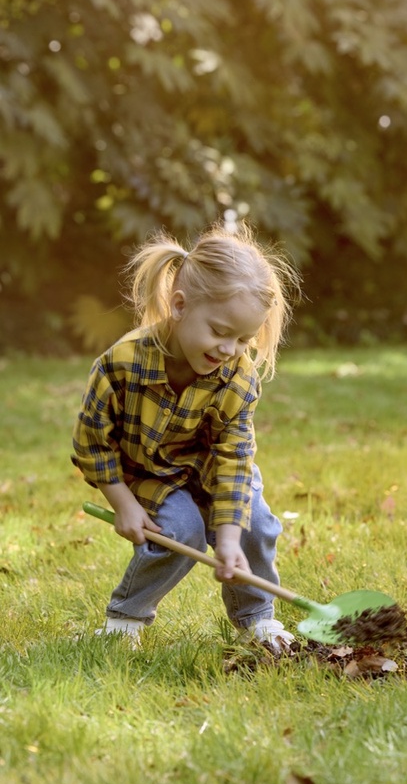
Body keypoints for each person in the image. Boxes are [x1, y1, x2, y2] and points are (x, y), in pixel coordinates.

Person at [72, 221, 299, 653]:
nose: (229, 348)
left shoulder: (237, 376)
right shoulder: (121, 364)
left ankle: (257, 619)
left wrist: (229, 538)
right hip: (151, 471)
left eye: (244, 339)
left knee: (257, 524)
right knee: (179, 531)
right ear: (179, 306)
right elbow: (92, 442)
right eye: (219, 331)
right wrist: (122, 503)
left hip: (212, 469)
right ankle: (125, 620)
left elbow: (234, 457)